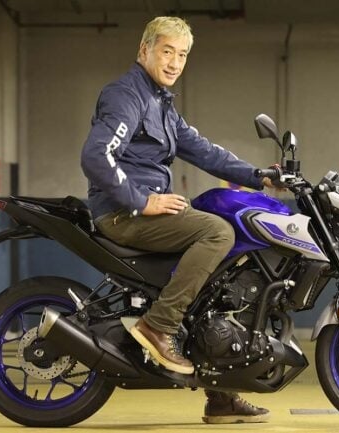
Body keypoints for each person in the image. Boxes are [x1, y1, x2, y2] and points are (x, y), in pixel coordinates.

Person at [81, 16, 274, 424]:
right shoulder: (127, 95)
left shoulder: (161, 104)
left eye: (182, 55)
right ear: (144, 50)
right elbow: (97, 157)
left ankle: (220, 395)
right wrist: (141, 202)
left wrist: (259, 176)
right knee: (217, 232)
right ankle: (158, 326)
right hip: (122, 213)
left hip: (143, 210)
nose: (174, 62)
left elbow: (204, 151)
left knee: (220, 272)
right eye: (167, 51)